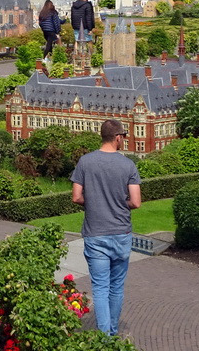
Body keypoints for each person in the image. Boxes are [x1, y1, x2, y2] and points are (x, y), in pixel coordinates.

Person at [71, 119, 142, 337]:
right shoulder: (128, 165)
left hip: (96, 234)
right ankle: (112, 331)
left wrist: (94, 202)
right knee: (116, 287)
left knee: (100, 289)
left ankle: (104, 338)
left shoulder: (85, 162)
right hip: (121, 233)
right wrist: (121, 204)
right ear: (118, 138)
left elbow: (76, 197)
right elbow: (136, 202)